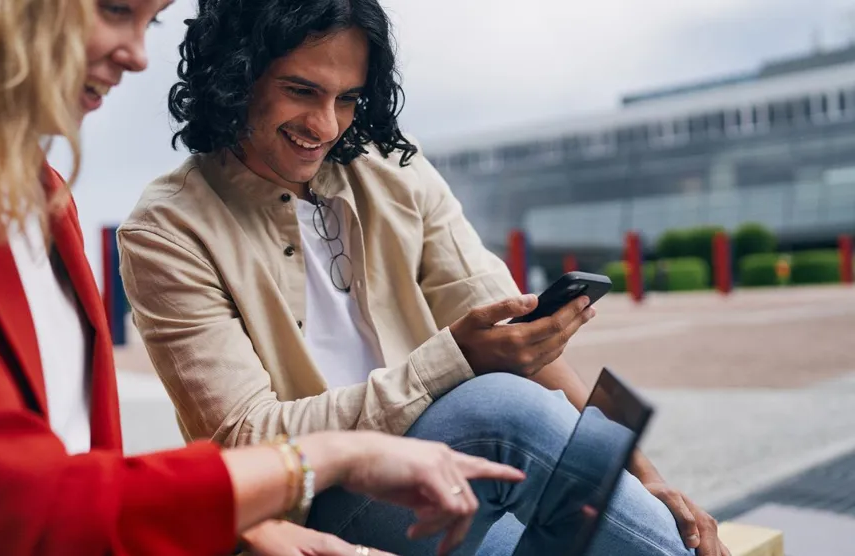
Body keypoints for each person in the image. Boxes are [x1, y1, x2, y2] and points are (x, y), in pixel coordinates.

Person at [0, 1, 527, 555]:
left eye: (150, 22)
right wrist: (325, 459)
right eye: (115, 8)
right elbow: (11, 500)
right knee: (494, 413)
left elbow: (75, 463)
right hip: (312, 495)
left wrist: (253, 516)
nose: (136, 55)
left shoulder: (43, 197)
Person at [118, 0, 732, 555]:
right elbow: (246, 441)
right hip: (311, 515)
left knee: (586, 527)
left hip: (450, 497)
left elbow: (510, 320)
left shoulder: (392, 170)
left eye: (348, 97)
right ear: (236, 76)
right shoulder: (168, 229)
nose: (327, 125)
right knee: (498, 405)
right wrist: (452, 363)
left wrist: (646, 480)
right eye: (302, 91)